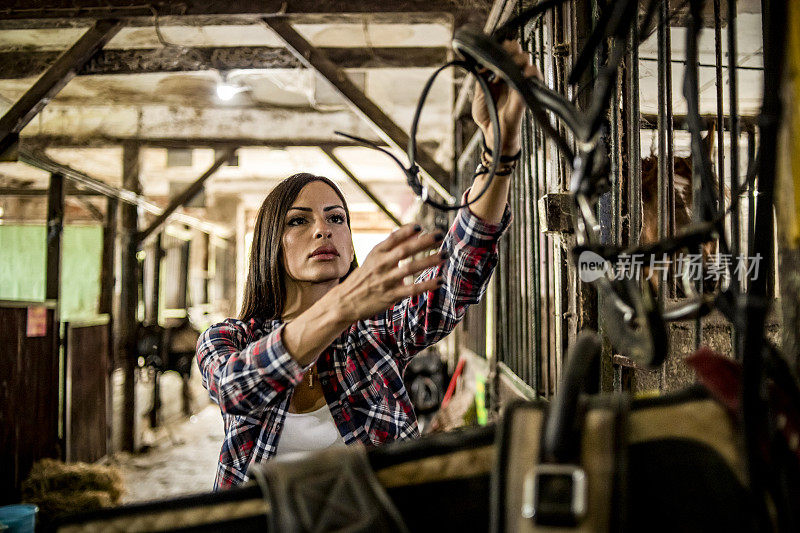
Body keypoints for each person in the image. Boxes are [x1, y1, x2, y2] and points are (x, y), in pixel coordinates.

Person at [196, 41, 539, 490]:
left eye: (336, 218)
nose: (324, 230)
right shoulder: (228, 338)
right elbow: (235, 389)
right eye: (299, 220)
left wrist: (500, 147)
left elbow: (462, 264)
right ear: (268, 244)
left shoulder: (378, 331)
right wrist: (343, 305)